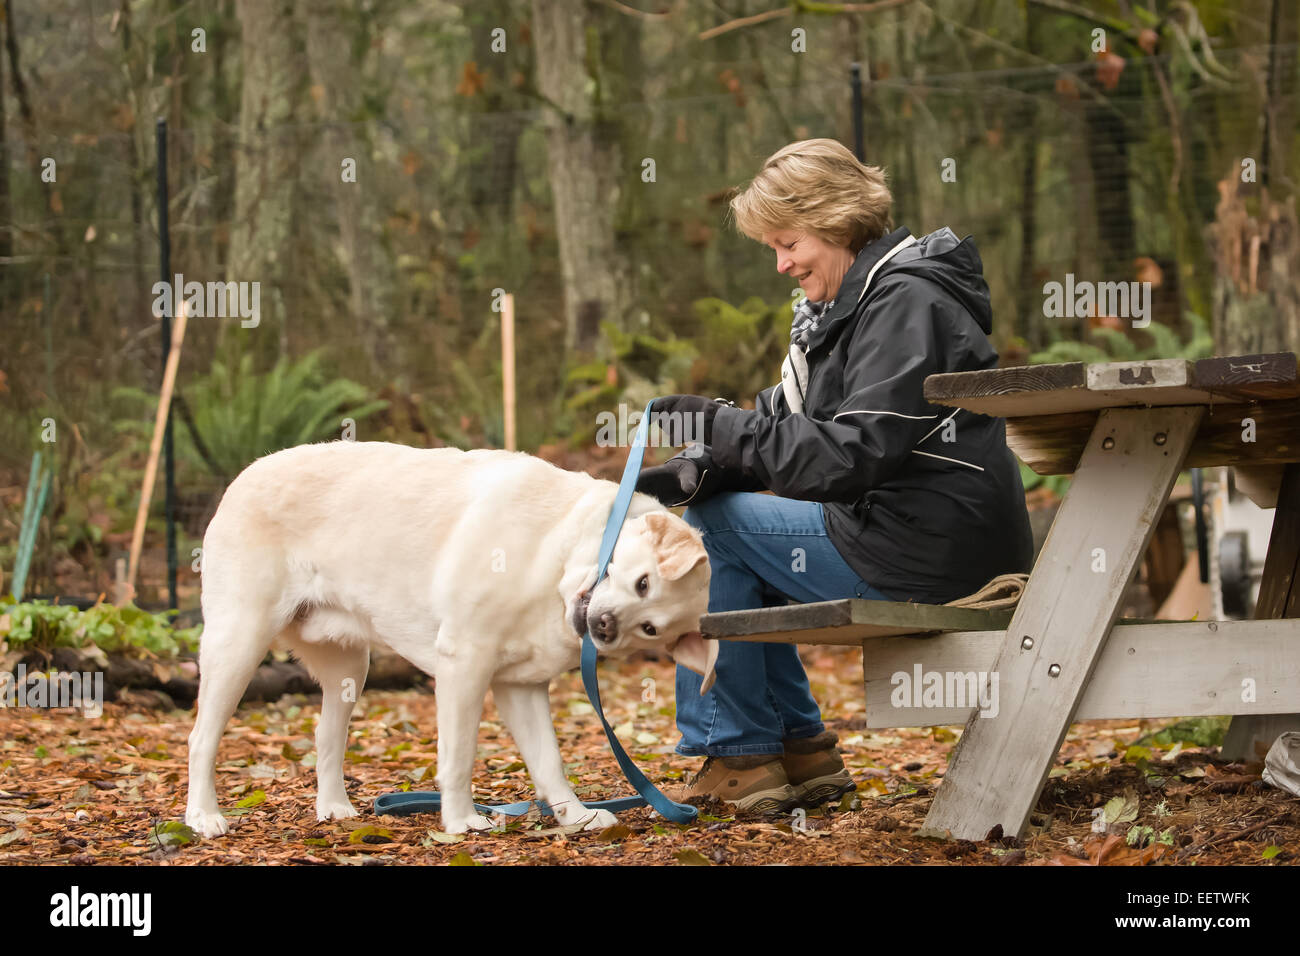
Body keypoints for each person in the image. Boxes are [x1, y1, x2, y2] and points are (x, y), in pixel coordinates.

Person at [635, 138, 1034, 813]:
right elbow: (784, 419)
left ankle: (738, 751)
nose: (782, 262)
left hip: (933, 552)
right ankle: (798, 749)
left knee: (715, 533)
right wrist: (692, 467)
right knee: (716, 512)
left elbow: (847, 457)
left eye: (788, 243)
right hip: (915, 533)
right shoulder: (855, 308)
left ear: (835, 220)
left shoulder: (904, 305)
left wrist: (718, 430)